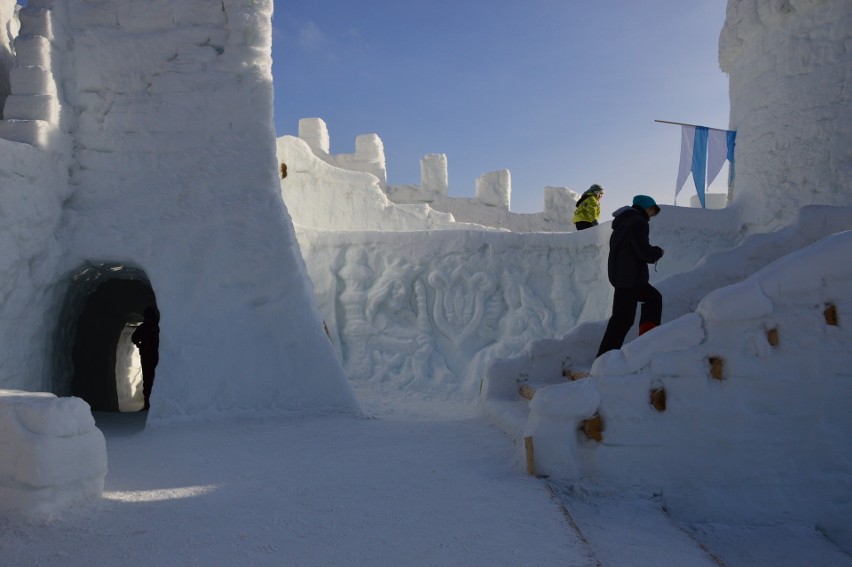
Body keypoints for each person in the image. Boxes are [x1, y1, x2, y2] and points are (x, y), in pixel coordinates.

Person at [596, 195, 664, 358]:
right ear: (647, 208)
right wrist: (658, 252)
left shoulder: (622, 224)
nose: (651, 215)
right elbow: (644, 252)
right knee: (623, 319)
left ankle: (644, 342)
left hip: (623, 277)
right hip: (630, 279)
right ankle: (605, 359)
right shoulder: (638, 223)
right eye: (652, 211)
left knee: (649, 301)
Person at [132, 306, 160, 410]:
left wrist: (140, 344)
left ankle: (149, 404)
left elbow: (134, 338)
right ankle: (151, 404)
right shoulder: (157, 326)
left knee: (148, 380)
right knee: (152, 379)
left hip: (148, 356)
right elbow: (134, 338)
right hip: (155, 356)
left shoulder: (144, 327)